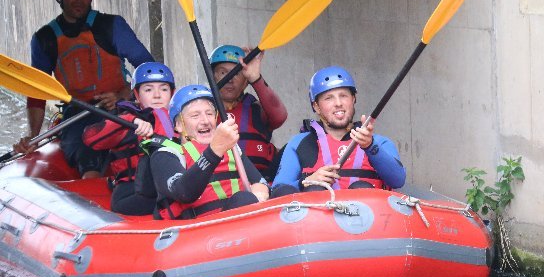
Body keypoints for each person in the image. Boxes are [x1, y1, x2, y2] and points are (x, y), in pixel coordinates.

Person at [14, 0, 154, 178]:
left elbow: (148, 67)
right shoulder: (45, 39)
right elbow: (37, 93)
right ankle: (93, 185)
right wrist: (34, 136)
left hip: (123, 108)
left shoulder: (112, 26)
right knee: (88, 156)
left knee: (146, 145)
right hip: (78, 115)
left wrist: (122, 94)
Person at [271, 66, 405, 197]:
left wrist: (370, 146)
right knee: (315, 190)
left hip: (368, 217)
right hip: (317, 218)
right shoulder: (299, 143)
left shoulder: (379, 143)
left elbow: (398, 180)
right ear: (316, 106)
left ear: (353, 99)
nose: (338, 103)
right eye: (329, 98)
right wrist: (305, 182)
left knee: (361, 189)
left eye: (344, 96)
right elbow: (278, 191)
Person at [150, 85, 269, 220]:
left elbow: (260, 181)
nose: (205, 121)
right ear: (178, 125)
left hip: (237, 219)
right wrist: (215, 150)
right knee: (244, 199)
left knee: (284, 190)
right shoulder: (165, 154)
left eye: (209, 114)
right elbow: (183, 192)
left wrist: (261, 190)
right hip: (197, 231)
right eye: (195, 116)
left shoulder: (232, 149)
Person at [82, 62, 176, 215]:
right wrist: (129, 122)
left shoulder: (181, 121)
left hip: (171, 186)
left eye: (164, 89)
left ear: (172, 93)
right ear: (137, 95)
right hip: (132, 193)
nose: (157, 95)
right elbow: (89, 138)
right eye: (148, 89)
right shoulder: (125, 121)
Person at [209, 44, 287, 180]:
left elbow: (279, 117)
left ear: (245, 81)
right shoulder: (200, 110)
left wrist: (255, 78)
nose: (230, 79)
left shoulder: (256, 108)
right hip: (220, 181)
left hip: (262, 181)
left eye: (237, 73)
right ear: (212, 77)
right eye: (222, 72)